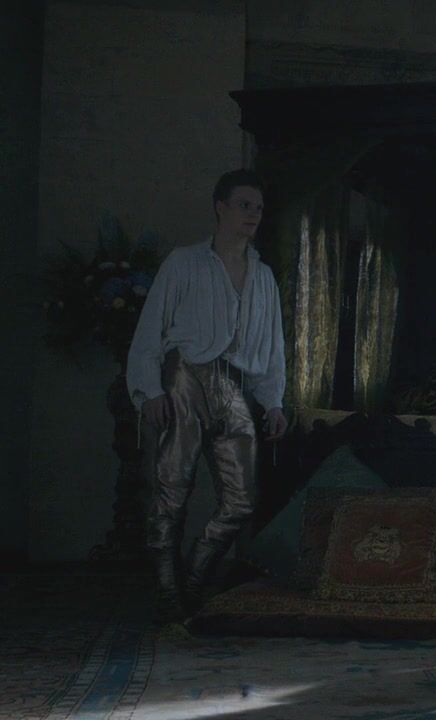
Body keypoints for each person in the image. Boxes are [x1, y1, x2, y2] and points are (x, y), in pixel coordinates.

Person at [126, 169, 287, 622]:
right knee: (171, 489)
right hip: (184, 377)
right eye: (244, 205)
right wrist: (149, 389)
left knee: (242, 500)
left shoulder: (263, 277)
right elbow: (150, 329)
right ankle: (167, 592)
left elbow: (272, 346)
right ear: (220, 207)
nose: (253, 214)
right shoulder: (184, 263)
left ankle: (195, 578)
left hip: (234, 385)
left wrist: (273, 400)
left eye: (258, 208)